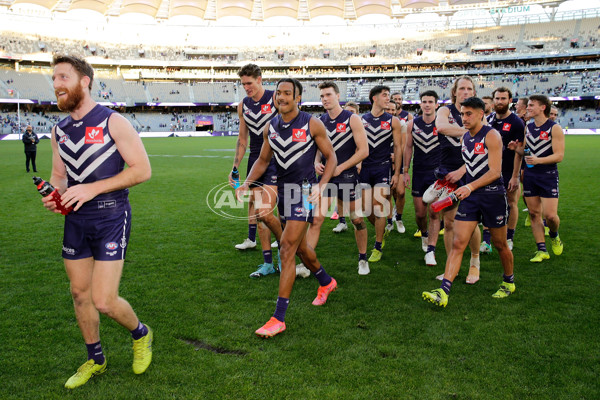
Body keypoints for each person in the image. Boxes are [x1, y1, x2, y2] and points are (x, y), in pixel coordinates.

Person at [43, 55, 153, 389]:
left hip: (110, 215)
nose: (57, 84)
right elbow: (59, 178)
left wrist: (91, 188)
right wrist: (54, 195)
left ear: (84, 81)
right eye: (54, 78)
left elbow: (142, 170)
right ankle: (96, 359)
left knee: (103, 299)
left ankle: (141, 333)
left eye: (63, 77)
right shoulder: (58, 131)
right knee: (80, 294)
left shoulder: (113, 122)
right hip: (76, 220)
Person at [236, 79, 338, 338]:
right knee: (300, 247)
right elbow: (262, 159)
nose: (281, 97)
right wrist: (246, 184)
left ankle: (278, 318)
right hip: (282, 190)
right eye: (278, 93)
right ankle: (326, 282)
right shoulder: (270, 126)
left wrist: (322, 185)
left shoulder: (311, 123)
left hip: (303, 192)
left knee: (288, 248)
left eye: (287, 93)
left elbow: (332, 156)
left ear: (298, 97)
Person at [422, 97, 515, 307]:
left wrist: (470, 186)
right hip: (471, 197)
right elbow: (471, 164)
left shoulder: (492, 135)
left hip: (493, 196)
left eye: (469, 114)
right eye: (462, 114)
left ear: (481, 113)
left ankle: (509, 282)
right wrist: (463, 185)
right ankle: (443, 291)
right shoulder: (465, 137)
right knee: (457, 243)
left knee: (500, 244)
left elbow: (495, 171)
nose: (464, 118)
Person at [305, 81, 369, 275]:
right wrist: (316, 162)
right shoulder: (318, 121)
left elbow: (364, 151)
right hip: (325, 178)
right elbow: (317, 148)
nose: (324, 99)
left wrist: (339, 167)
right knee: (316, 220)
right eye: (322, 96)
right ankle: (306, 263)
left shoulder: (352, 119)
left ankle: (363, 258)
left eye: (328, 95)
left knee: (356, 219)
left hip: (347, 176)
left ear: (338, 96)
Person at [229, 64, 283, 278]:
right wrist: (235, 167)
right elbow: (242, 139)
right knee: (261, 216)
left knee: (266, 212)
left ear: (260, 79)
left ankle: (285, 254)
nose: (246, 87)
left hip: (277, 159)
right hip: (255, 159)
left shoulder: (276, 99)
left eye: (249, 83)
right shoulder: (243, 105)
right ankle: (268, 262)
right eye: (243, 84)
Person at [431, 76, 482, 284]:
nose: (466, 92)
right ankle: (452, 266)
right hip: (447, 171)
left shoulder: (479, 113)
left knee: (471, 221)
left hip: (470, 171)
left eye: (470, 88)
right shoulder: (444, 110)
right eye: (462, 88)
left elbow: (483, 148)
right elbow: (442, 128)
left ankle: (474, 264)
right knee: (449, 221)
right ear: (454, 92)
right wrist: (473, 131)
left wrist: (463, 170)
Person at [509, 94, 565, 263]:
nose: (528, 108)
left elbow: (559, 156)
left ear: (542, 107)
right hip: (531, 175)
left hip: (547, 175)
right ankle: (541, 249)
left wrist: (539, 160)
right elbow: (527, 153)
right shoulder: (529, 127)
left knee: (550, 216)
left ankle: (554, 235)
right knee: (534, 213)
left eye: (532, 105)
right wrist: (516, 150)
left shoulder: (554, 128)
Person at [360, 85, 404, 263]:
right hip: (364, 169)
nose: (388, 98)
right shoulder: (361, 120)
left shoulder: (393, 121)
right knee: (365, 209)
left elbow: (399, 148)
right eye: (385, 95)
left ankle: (378, 245)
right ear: (374, 98)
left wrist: (397, 173)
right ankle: (382, 228)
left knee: (378, 208)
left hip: (383, 168)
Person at [480, 87, 525, 253]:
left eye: (503, 99)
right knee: (488, 203)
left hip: (508, 171)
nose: (500, 102)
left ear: (510, 101)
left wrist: (515, 176)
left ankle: (509, 237)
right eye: (497, 98)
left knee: (511, 203)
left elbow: (519, 153)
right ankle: (486, 241)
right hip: (489, 170)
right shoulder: (489, 119)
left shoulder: (516, 123)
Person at [403, 90, 441, 266]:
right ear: (420, 104)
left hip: (437, 174)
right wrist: (405, 171)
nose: (427, 104)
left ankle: (431, 250)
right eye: (424, 101)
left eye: (430, 101)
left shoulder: (442, 124)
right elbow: (408, 147)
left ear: (436, 104)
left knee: (434, 211)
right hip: (418, 172)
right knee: (420, 213)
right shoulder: (413, 124)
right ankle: (424, 234)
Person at [390, 92, 412, 233]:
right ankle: (389, 220)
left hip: (398, 160)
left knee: (401, 192)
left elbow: (404, 144)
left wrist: (399, 160)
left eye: (399, 100)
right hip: (385, 162)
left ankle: (398, 217)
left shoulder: (405, 119)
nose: (398, 102)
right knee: (388, 192)